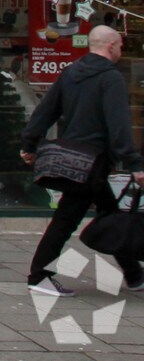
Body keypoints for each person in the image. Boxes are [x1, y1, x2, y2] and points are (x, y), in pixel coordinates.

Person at [20, 22, 144, 294]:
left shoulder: (71, 72)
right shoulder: (110, 78)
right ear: (111, 46)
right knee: (66, 219)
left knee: (111, 213)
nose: (122, 50)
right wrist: (134, 164)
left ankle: (135, 275)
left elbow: (46, 110)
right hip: (93, 162)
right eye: (121, 45)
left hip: (70, 159)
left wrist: (29, 143)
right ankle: (38, 276)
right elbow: (119, 124)